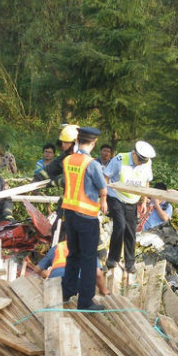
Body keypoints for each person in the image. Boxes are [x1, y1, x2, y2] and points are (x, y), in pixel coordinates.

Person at [43, 126, 108, 309]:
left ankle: (67, 291)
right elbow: (102, 188)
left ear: (77, 141)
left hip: (69, 214)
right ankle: (85, 302)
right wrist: (103, 199)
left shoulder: (68, 159)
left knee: (73, 255)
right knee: (88, 260)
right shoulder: (92, 164)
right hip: (87, 217)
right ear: (94, 143)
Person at [104, 140, 155, 273]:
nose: (141, 163)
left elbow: (146, 182)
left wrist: (144, 201)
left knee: (131, 231)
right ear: (134, 154)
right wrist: (103, 199)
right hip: (116, 196)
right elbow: (106, 177)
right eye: (140, 160)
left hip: (132, 200)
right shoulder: (120, 159)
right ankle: (112, 259)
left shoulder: (147, 163)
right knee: (120, 225)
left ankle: (129, 263)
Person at [37, 240, 109, 296]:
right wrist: (103, 290)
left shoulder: (57, 247)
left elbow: (37, 269)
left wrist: (46, 273)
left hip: (54, 281)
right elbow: (98, 273)